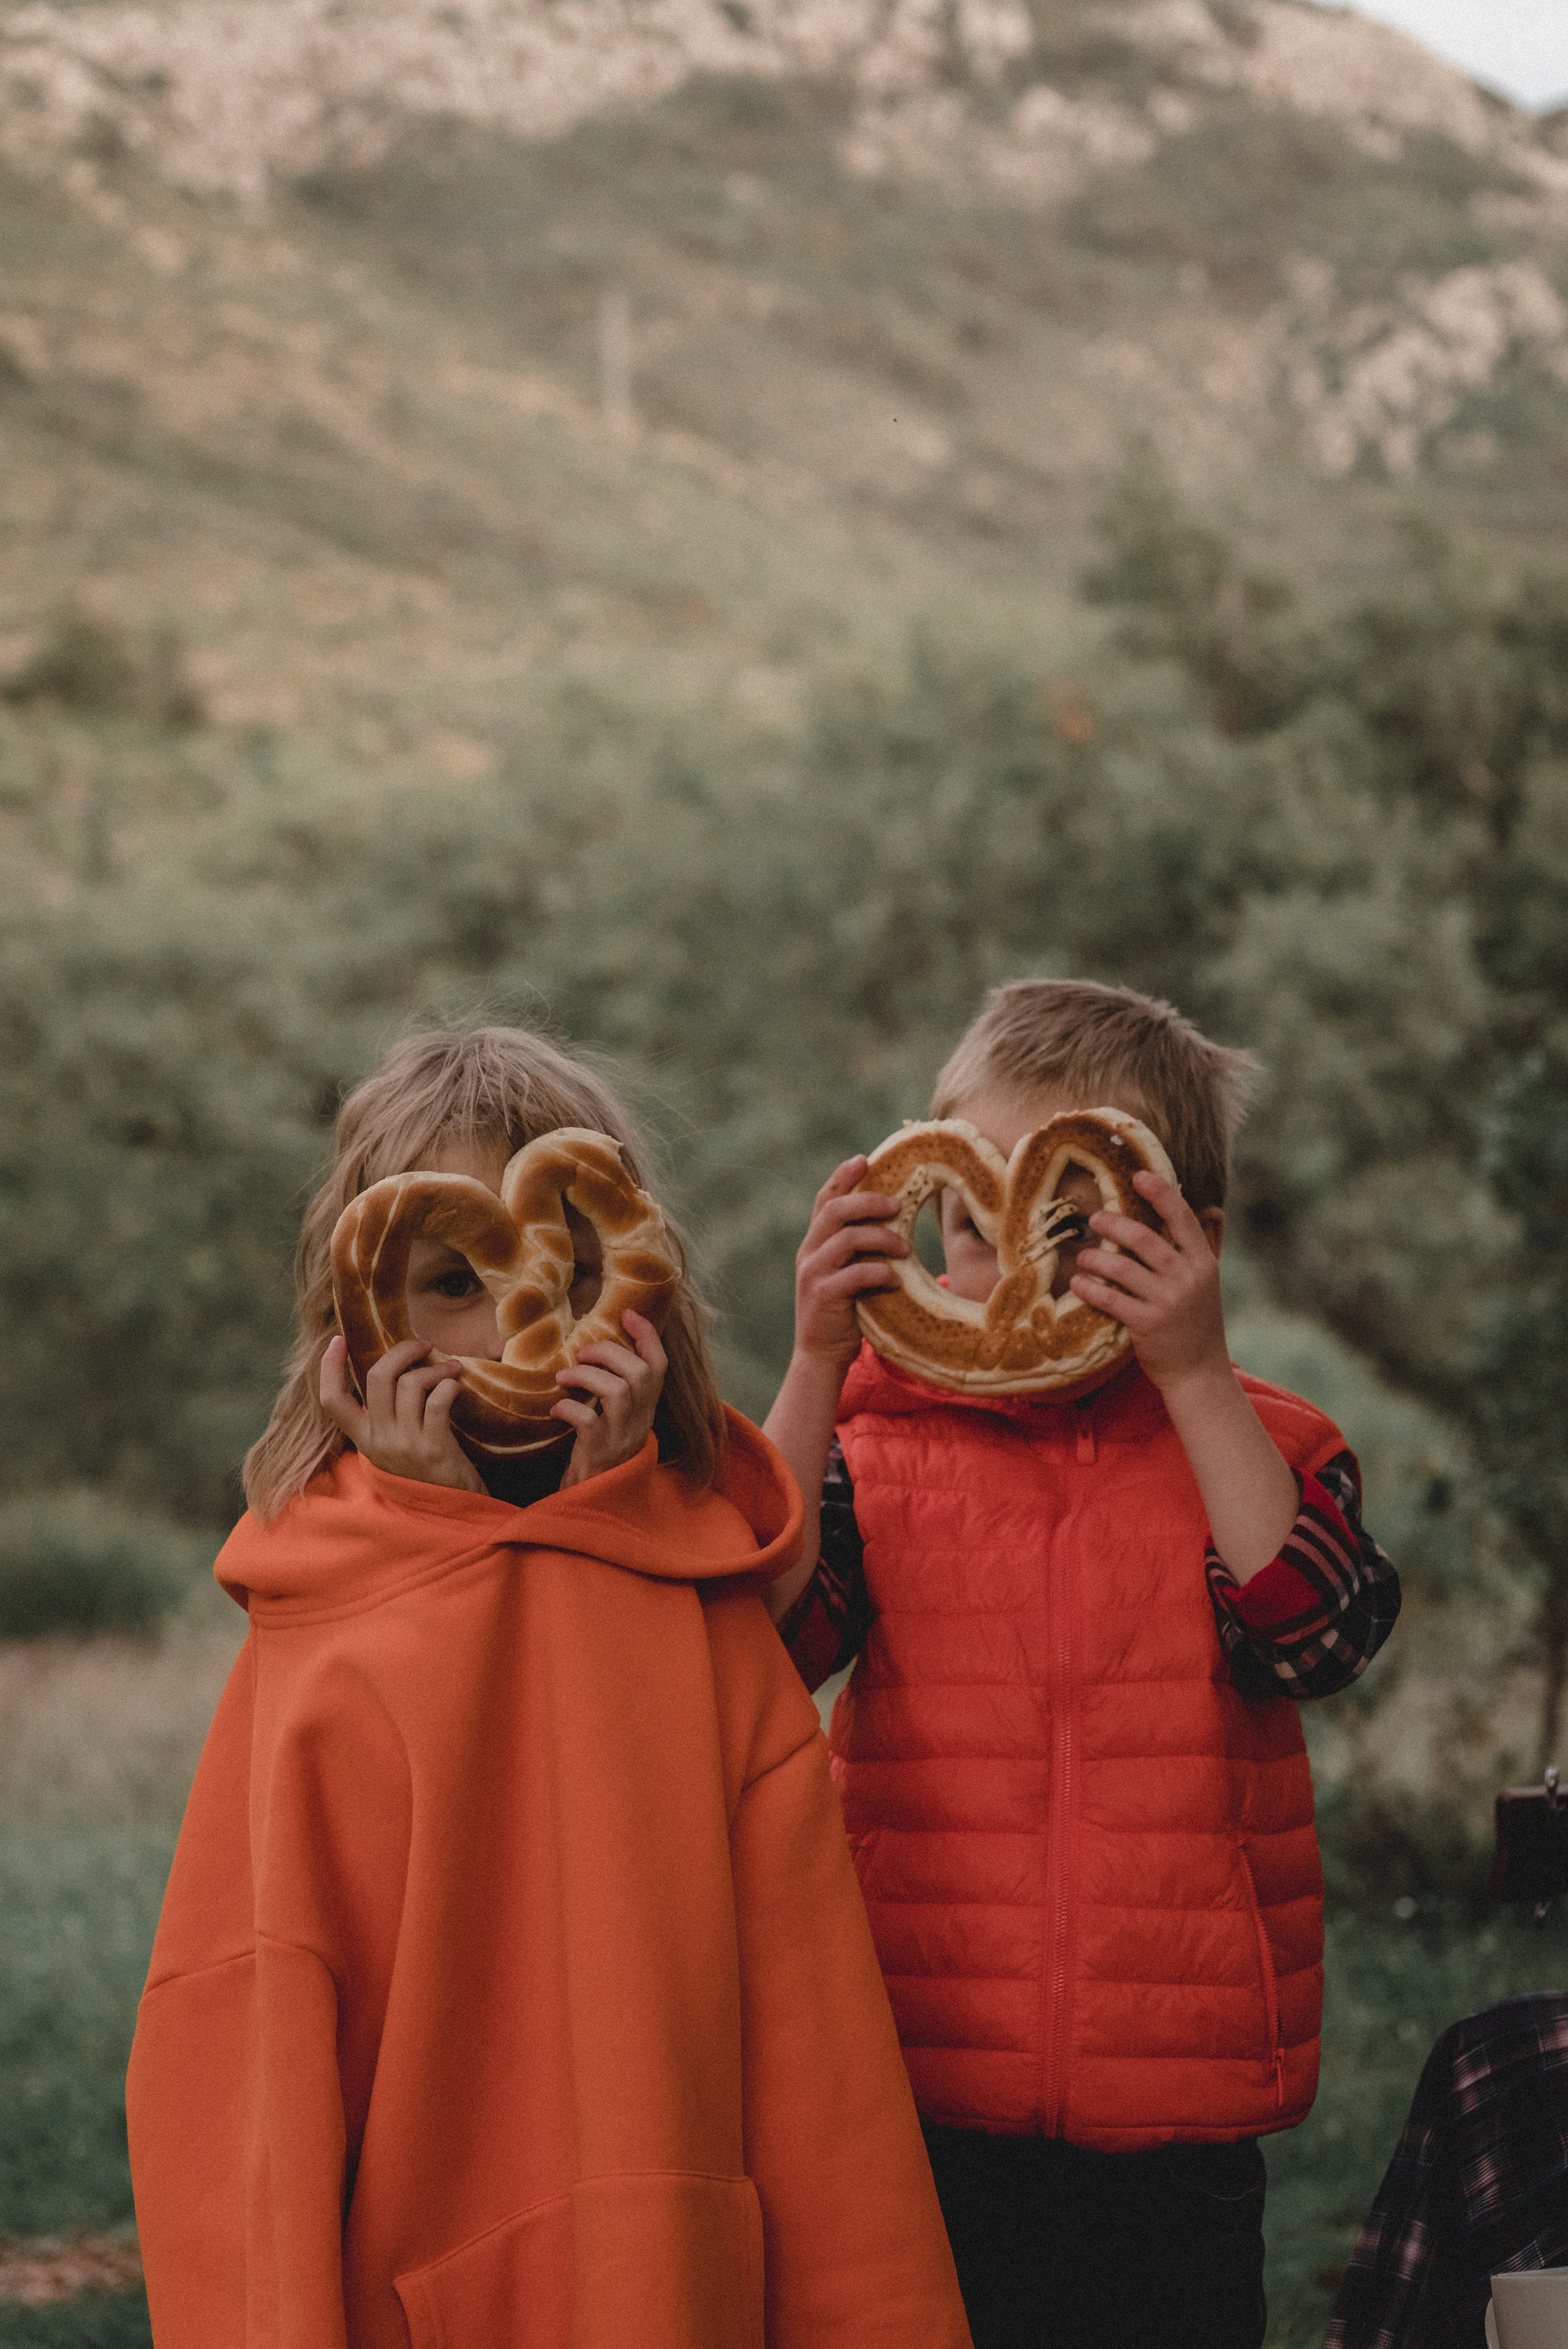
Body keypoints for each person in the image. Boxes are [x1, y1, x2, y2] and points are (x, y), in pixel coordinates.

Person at [127, 1024, 971, 2349]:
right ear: (364, 1317)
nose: (521, 1324)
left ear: (640, 1290)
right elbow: (243, 2042)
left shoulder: (700, 1611)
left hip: (678, 2292)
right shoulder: (323, 1624)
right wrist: (441, 1539)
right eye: (453, 1283)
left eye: (575, 1274)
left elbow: (815, 2045)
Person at [762, 979, 1403, 2349]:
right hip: (909, 2074)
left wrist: (1190, 1374)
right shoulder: (873, 1441)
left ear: (1192, 1242)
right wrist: (815, 1361)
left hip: (1173, 2108)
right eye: (963, 1227)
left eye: (1062, 1227)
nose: (1002, 1276)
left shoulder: (1257, 1447)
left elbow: (1314, 1637)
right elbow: (760, 1642)